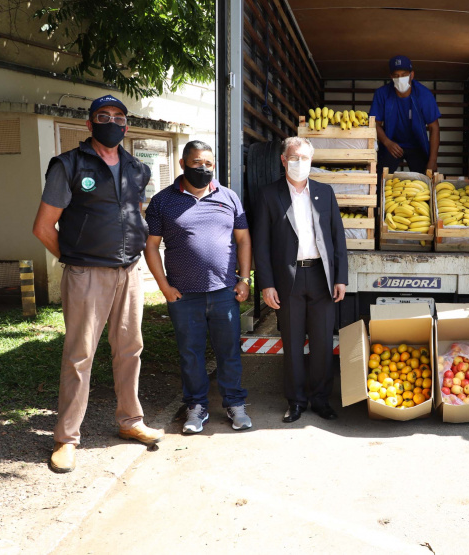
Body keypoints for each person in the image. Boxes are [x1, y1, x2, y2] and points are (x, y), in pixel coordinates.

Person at [32, 95, 164, 473]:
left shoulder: (137, 169)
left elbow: (133, 216)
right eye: (102, 116)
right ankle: (66, 439)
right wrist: (75, 259)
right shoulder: (68, 165)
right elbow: (43, 227)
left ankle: (130, 421)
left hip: (128, 272)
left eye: (118, 117)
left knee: (130, 350)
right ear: (89, 125)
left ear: (126, 126)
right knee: (79, 357)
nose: (111, 122)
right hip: (86, 274)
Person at [144, 140, 253, 434]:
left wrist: (244, 279)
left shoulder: (229, 197)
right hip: (183, 294)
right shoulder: (163, 201)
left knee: (229, 350)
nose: (203, 168)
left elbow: (243, 240)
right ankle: (196, 406)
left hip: (224, 291)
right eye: (196, 163)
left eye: (208, 163)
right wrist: (164, 286)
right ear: (182, 164)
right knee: (190, 353)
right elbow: (151, 246)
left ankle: (234, 403)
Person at [252, 137, 348, 423]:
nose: (299, 163)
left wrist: (340, 277)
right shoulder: (269, 195)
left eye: (304, 158)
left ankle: (320, 399)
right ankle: (295, 402)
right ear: (283, 160)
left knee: (321, 343)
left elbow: (337, 238)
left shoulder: (324, 192)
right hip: (288, 279)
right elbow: (261, 244)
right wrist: (266, 284)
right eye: (293, 158)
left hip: (321, 277)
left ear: (311, 160)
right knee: (292, 344)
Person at [369, 55, 441, 174]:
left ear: (411, 75)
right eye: (396, 75)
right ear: (391, 77)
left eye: (404, 75)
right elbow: (374, 124)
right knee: (379, 178)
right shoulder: (382, 94)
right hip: (391, 143)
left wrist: (433, 160)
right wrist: (387, 142)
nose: (400, 78)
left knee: (426, 179)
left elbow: (434, 127)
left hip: (417, 144)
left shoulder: (424, 95)